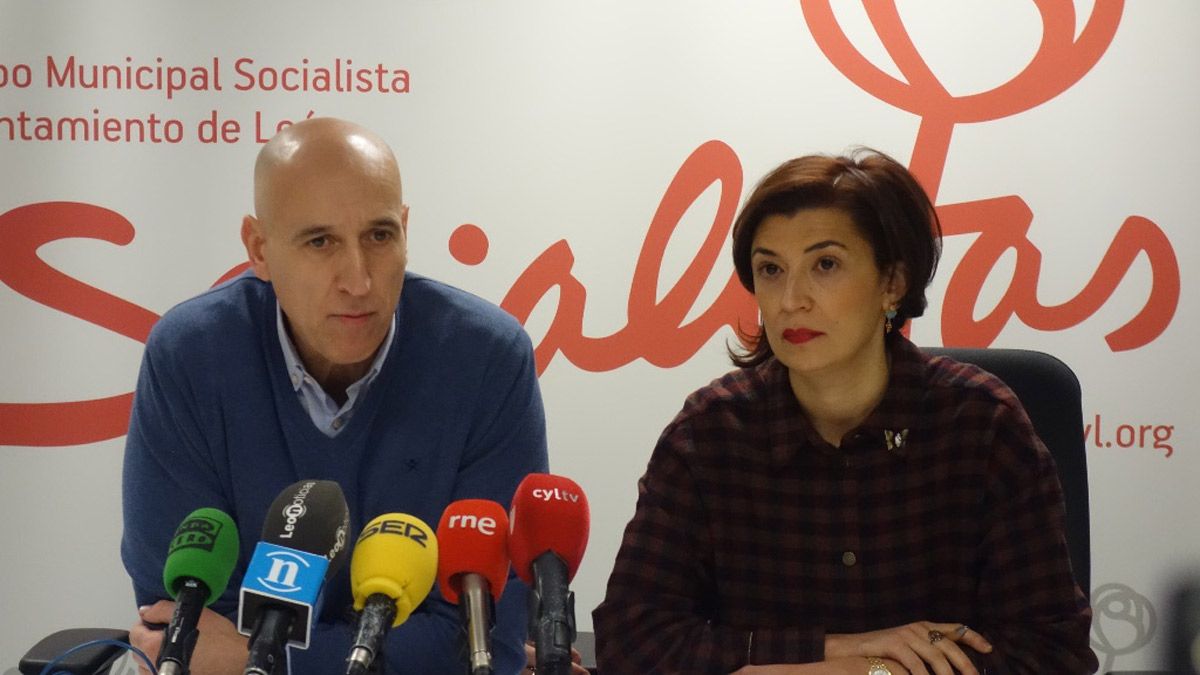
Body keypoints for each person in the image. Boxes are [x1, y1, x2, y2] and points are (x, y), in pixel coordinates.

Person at [592, 149, 1098, 674]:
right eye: (771, 269)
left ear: (893, 283)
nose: (791, 299)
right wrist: (837, 653)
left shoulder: (981, 425)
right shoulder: (709, 434)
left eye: (825, 265)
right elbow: (630, 643)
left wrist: (876, 674)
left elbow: (1053, 653)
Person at [121, 117, 549, 675]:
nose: (359, 280)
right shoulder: (189, 357)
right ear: (259, 249)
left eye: (379, 235)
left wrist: (256, 658)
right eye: (320, 241)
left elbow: (483, 640)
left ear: (405, 229)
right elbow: (179, 628)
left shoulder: (488, 358)